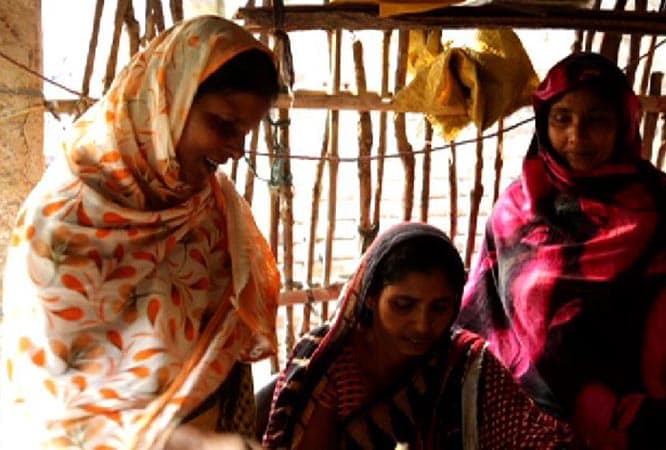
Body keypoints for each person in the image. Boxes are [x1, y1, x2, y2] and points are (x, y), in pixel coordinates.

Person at [0, 16, 281, 450]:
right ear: (167, 102)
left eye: (243, 133)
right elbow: (51, 408)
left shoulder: (212, 211)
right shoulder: (64, 224)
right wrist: (187, 443)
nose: (236, 150)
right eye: (223, 125)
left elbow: (225, 355)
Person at [458, 52, 666, 450]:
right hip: (526, 432)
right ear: (543, 122)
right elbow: (480, 320)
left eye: (597, 120)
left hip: (648, 432)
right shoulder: (515, 213)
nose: (577, 136)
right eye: (562, 118)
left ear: (623, 122)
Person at [263, 222, 576, 449]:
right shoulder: (330, 364)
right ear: (370, 297)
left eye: (440, 307)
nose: (422, 325)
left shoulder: (464, 364)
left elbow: (536, 441)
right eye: (403, 305)